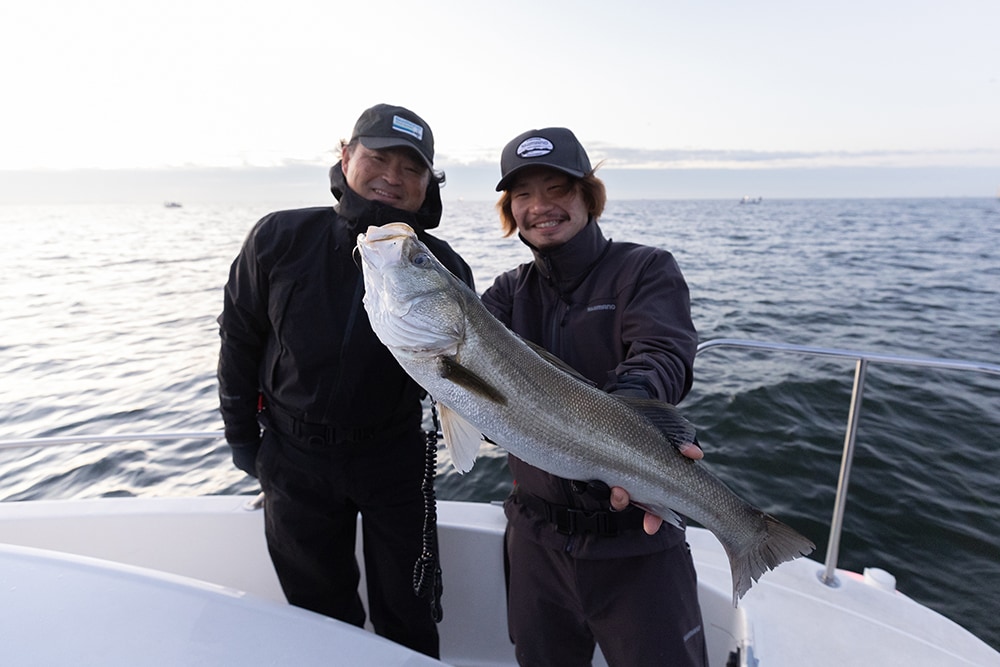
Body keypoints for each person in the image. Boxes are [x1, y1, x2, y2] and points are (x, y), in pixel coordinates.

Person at [217, 103, 474, 659]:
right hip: (293, 460)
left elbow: (463, 374)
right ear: (345, 155)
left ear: (429, 181)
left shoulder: (444, 267)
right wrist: (245, 443)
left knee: (410, 612)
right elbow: (239, 340)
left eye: (411, 169)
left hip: (395, 463)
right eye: (378, 158)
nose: (392, 177)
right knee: (318, 615)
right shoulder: (278, 237)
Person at [480, 127, 708, 666]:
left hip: (636, 541)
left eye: (557, 188)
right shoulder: (506, 294)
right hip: (535, 540)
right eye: (523, 194)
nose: (541, 206)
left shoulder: (645, 268)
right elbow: (478, 395)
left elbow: (663, 354)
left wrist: (626, 421)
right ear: (510, 209)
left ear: (588, 195)